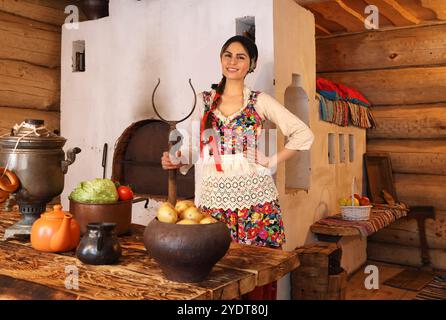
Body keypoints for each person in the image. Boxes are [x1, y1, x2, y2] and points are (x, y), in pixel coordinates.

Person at [161, 35, 314, 299]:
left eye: (241, 57)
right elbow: (197, 147)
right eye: (228, 55)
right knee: (217, 275)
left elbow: (302, 134)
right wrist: (177, 157)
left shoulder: (259, 101)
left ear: (251, 64)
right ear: (221, 59)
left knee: (256, 273)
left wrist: (270, 160)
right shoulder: (205, 100)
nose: (233, 61)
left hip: (256, 204)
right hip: (213, 202)